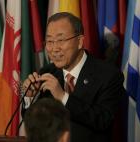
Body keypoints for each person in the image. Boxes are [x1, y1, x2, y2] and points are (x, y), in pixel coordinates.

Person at [23, 12, 125, 142]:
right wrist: (30, 97)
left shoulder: (109, 75)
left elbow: (102, 120)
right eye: (49, 41)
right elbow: (34, 125)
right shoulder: (47, 72)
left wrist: (62, 97)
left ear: (80, 41)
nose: (54, 48)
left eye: (60, 40)